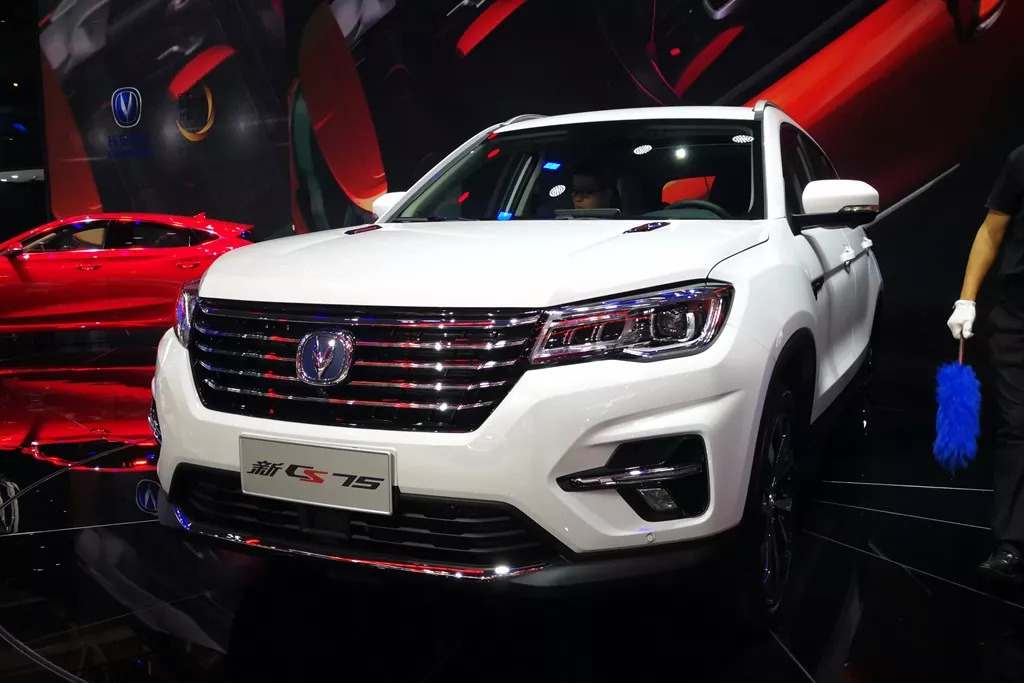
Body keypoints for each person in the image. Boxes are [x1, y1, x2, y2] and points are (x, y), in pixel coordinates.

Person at [948, 144, 1024, 584]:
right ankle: (1013, 544)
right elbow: (992, 230)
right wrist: (967, 299)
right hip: (1018, 316)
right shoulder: (1022, 160)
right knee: (1019, 425)